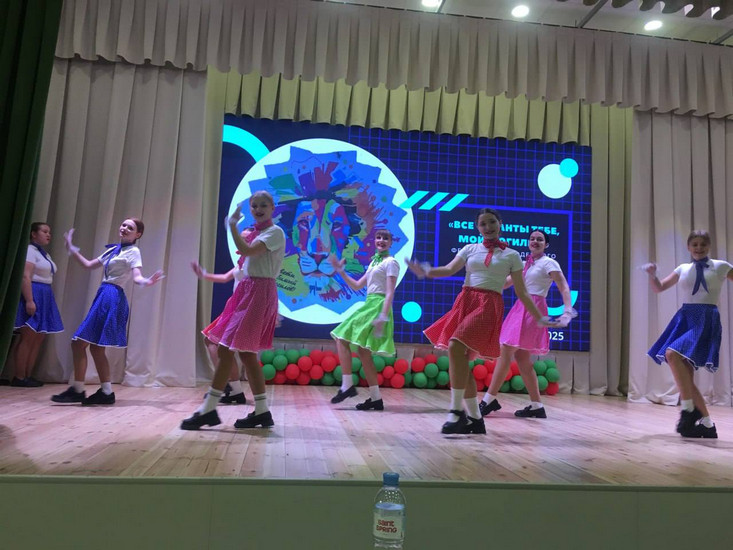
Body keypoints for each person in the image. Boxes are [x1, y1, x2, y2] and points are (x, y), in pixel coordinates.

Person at [407, 208, 549, 435]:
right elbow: (449, 269)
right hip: (466, 301)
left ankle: (456, 411)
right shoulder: (470, 249)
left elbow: (522, 292)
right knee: (461, 359)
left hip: (488, 305)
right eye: (483, 224)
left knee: (455, 345)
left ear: (500, 223)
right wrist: (426, 271)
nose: (488, 227)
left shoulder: (512, 255)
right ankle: (475, 418)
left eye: (492, 222)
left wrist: (539, 317)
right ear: (477, 228)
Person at [181, 191, 285, 430]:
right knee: (246, 354)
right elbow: (243, 260)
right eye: (254, 205)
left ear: (272, 208)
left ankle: (209, 409)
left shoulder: (274, 232)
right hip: (248, 291)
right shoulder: (257, 234)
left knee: (226, 350)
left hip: (258, 292)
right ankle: (261, 411)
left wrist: (232, 226)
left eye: (263, 205)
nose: (258, 209)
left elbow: (248, 251)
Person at [51, 218, 164, 405]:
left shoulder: (134, 251)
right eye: (124, 225)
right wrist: (72, 249)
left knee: (79, 343)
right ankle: (105, 392)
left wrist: (146, 281)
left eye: (130, 227)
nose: (124, 228)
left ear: (138, 235)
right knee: (95, 347)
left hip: (111, 296)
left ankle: (79, 390)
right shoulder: (113, 250)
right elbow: (89, 265)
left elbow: (137, 276)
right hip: (104, 294)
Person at [645, 230, 733, 439]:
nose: (699, 248)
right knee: (685, 375)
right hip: (685, 318)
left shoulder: (721, 266)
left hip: (706, 318)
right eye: (695, 244)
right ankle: (707, 425)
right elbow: (659, 288)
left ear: (709, 246)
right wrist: (652, 275)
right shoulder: (683, 268)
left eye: (703, 244)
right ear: (688, 247)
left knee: (671, 354)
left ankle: (687, 410)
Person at [480, 230, 575, 419]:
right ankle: (536, 406)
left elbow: (563, 286)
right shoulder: (524, 264)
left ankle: (488, 400)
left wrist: (567, 310)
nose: (535, 241)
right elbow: (505, 284)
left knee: (506, 350)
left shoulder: (549, 263)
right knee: (522, 358)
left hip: (534, 309)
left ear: (546, 244)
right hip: (520, 308)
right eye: (532, 239)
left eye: (540, 239)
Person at [328, 229, 398, 411]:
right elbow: (357, 285)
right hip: (370, 303)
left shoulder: (391, 262)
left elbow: (390, 292)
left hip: (378, 305)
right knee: (363, 352)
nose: (381, 240)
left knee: (341, 336)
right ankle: (376, 398)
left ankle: (347, 385)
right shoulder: (374, 262)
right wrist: (341, 272)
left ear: (391, 242)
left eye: (386, 238)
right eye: (378, 237)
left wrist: (383, 316)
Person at [11, 222, 64, 387]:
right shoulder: (30, 251)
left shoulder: (44, 254)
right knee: (28, 336)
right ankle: (19, 377)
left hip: (45, 294)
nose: (48, 235)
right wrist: (29, 300)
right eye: (44, 231)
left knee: (38, 337)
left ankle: (28, 374)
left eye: (49, 232)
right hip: (34, 292)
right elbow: (25, 276)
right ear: (34, 234)